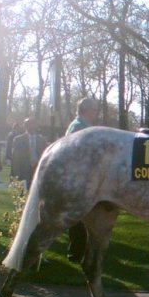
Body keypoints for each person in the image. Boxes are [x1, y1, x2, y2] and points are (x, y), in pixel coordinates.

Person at [65, 97, 99, 263]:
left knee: (82, 217)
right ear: (87, 110)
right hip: (77, 179)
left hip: (81, 178)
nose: (96, 113)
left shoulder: (82, 126)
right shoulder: (78, 127)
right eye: (94, 110)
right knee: (78, 218)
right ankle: (75, 253)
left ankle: (79, 250)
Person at [10, 117, 48, 190]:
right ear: (25, 126)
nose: (31, 126)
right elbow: (15, 158)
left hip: (37, 169)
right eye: (28, 124)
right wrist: (16, 174)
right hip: (24, 170)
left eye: (32, 124)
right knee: (24, 194)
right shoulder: (18, 139)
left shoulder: (41, 140)